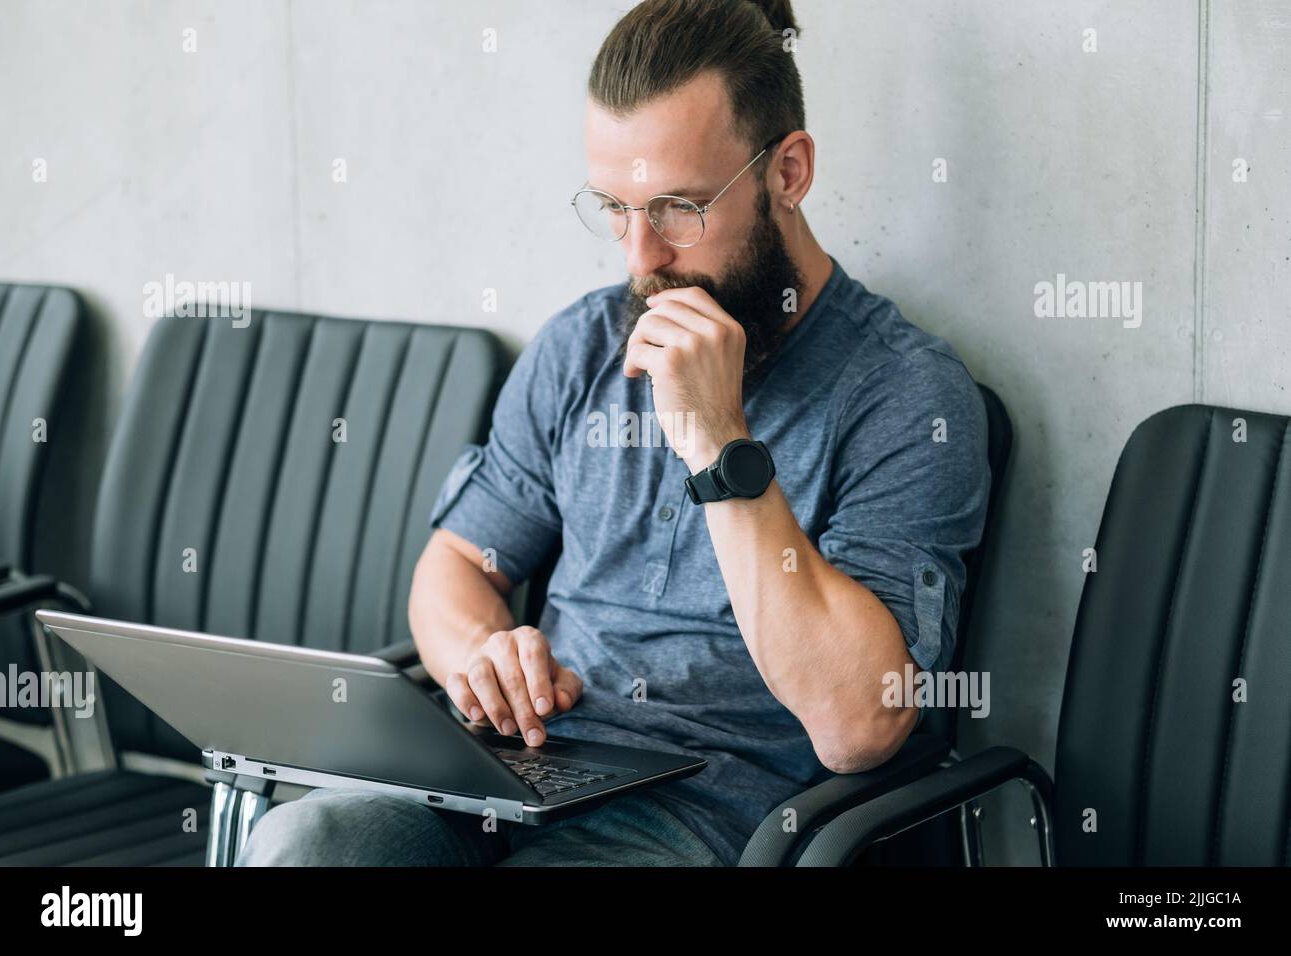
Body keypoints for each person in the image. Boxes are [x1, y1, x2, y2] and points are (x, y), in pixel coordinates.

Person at [239, 0, 989, 867]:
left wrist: (718, 443)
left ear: (787, 172)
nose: (639, 258)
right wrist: (482, 656)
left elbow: (862, 724)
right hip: (512, 773)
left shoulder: (904, 393)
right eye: (615, 208)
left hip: (704, 816)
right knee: (308, 839)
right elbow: (454, 567)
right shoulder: (583, 345)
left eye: (677, 209)